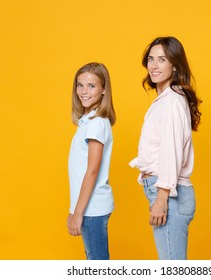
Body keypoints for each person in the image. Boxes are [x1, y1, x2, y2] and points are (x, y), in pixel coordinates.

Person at [129, 36, 202, 260]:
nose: (154, 65)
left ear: (175, 65)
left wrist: (161, 199)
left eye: (162, 59)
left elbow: (171, 152)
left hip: (169, 195)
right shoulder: (167, 99)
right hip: (165, 191)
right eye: (151, 59)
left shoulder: (171, 101)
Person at [67, 62, 116, 260]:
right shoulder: (87, 121)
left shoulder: (96, 123)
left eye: (91, 86)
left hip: (92, 208)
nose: (84, 91)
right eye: (80, 85)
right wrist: (74, 209)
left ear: (104, 89)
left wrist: (77, 213)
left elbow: (92, 171)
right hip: (87, 206)